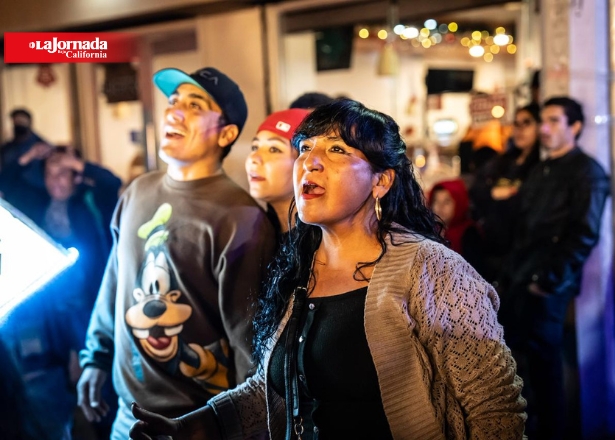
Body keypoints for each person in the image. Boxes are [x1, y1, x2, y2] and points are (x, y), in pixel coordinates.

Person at [129, 99, 526, 440]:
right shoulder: (298, 269)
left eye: (336, 149)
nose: (311, 162)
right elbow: (275, 390)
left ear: (381, 181)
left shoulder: (432, 270)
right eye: (304, 148)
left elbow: (494, 408)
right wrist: (195, 426)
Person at [77, 66, 276, 439]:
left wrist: (234, 429)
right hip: (126, 418)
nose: (174, 112)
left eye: (195, 105)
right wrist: (95, 358)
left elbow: (249, 346)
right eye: (173, 101)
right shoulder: (136, 192)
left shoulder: (241, 218)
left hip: (193, 425)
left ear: (226, 133)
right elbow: (116, 283)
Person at [498, 97, 609, 440]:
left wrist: (547, 280)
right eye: (542, 121)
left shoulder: (587, 172)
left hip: (545, 285)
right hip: (519, 278)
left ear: (574, 126)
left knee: (545, 370)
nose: (544, 128)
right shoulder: (542, 169)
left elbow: (584, 234)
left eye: (553, 121)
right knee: (519, 368)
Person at [0, 144, 122, 440]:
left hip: (87, 305)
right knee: (52, 380)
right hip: (49, 311)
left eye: (63, 173)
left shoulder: (90, 200)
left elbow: (112, 183)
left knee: (97, 371)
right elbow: (7, 185)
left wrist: (78, 164)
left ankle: (106, 428)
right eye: (50, 174)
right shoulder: (37, 201)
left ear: (75, 177)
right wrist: (28, 156)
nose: (55, 181)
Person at [470, 104, 541, 282]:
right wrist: (493, 193)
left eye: (527, 123)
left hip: (523, 253)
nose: (520, 129)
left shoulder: (541, 166)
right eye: (516, 124)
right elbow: (476, 191)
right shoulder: (502, 162)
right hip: (492, 248)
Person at [246, 108, 310, 235]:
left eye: (274, 149)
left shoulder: (324, 240)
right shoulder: (257, 232)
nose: (254, 158)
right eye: (255, 147)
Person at [428, 178, 486, 277]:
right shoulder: (430, 231)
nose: (440, 207)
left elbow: (474, 273)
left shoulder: (470, 233)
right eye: (436, 201)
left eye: (447, 202)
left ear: (459, 203)